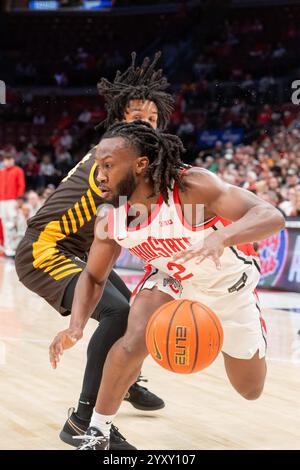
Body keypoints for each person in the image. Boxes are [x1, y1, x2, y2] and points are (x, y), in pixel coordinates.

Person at [49, 121, 285, 450]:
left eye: (108, 166)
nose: (99, 175)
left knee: (250, 389)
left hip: (228, 289)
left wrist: (223, 234)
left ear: (140, 164)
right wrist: (75, 326)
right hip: (172, 280)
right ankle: (96, 433)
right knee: (133, 338)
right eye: (97, 166)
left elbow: (271, 215)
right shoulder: (111, 218)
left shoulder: (191, 187)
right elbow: (93, 276)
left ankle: (225, 333)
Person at [15, 52, 174, 450]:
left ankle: (127, 381)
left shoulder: (129, 156)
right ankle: (84, 420)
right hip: (44, 250)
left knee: (132, 310)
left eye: (152, 121)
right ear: (120, 120)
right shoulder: (116, 161)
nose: (146, 125)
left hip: (79, 250)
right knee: (119, 313)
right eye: (137, 118)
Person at [0, 154, 25, 257]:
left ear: (13, 160)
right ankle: (7, 248)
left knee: (12, 224)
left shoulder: (18, 170)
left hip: (12, 200)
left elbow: (21, 184)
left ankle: (14, 247)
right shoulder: (1, 172)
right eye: (6, 160)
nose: (8, 162)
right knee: (5, 223)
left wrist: (19, 198)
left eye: (9, 159)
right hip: (2, 201)